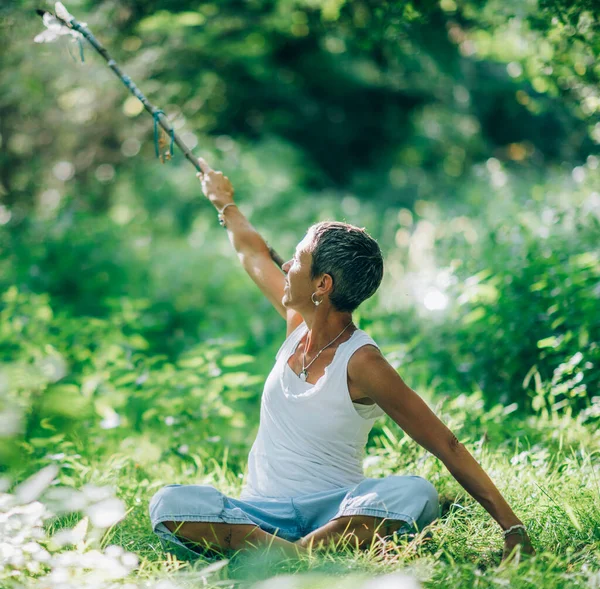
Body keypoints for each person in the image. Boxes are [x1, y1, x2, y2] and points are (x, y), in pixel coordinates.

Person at [149, 158, 535, 561]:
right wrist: (222, 201)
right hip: (259, 513)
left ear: (323, 284)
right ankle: (298, 555)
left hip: (338, 512)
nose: (285, 266)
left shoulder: (362, 362)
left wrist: (512, 526)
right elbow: (252, 252)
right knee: (169, 503)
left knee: (416, 492)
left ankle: (282, 555)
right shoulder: (297, 324)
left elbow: (446, 444)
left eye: (296, 260)